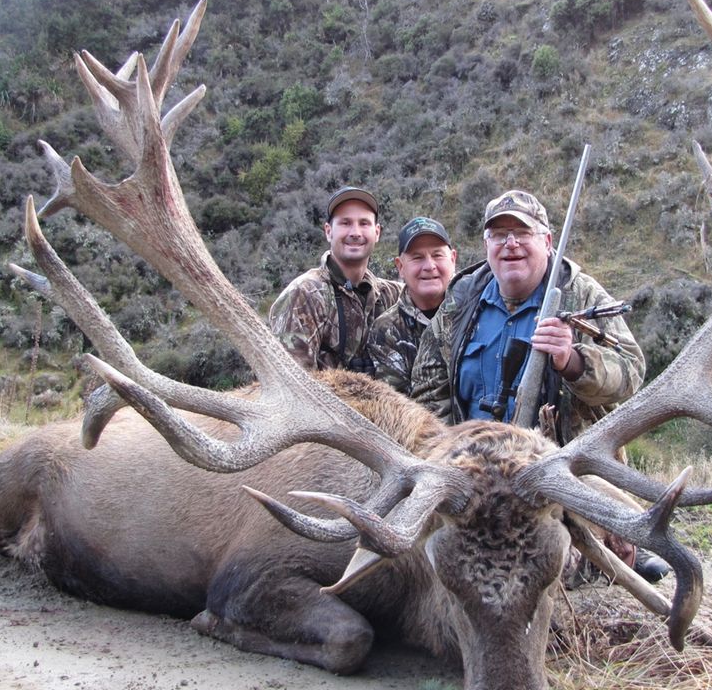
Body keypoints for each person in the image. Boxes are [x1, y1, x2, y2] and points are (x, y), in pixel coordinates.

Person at [411, 188, 668, 582]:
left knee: (549, 568)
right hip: (474, 478)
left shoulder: (580, 292)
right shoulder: (462, 298)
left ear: (547, 241)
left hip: (557, 479)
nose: (510, 244)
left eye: (522, 233)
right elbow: (428, 391)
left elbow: (632, 371)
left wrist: (573, 361)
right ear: (486, 244)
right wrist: (449, 462)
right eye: (499, 235)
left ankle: (611, 544)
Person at [268, 186, 401, 375]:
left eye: (364, 223)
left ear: (377, 232)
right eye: (345, 223)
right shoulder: (304, 295)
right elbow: (291, 382)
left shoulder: (390, 295)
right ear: (328, 231)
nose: (355, 232)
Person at [368, 216, 458, 395]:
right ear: (400, 267)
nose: (429, 266)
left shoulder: (475, 309)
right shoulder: (386, 331)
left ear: (453, 259)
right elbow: (396, 403)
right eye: (417, 258)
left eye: (437, 255)